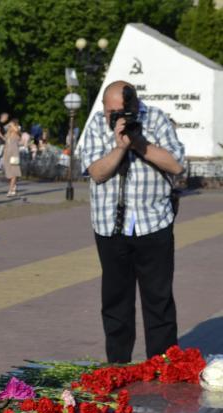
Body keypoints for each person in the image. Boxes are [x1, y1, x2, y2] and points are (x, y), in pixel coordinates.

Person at [79, 80, 185, 364]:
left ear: (135, 106)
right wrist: (120, 148)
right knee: (115, 303)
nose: (114, 117)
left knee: (158, 301)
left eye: (120, 111)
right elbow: (96, 172)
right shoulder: (95, 126)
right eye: (109, 110)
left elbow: (176, 165)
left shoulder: (157, 119)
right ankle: (118, 365)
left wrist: (139, 143)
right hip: (110, 228)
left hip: (154, 224)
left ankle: (163, 367)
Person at [3, 119, 22, 197]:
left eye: (11, 125)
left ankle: (11, 190)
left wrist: (13, 125)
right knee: (9, 172)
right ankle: (14, 187)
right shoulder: (8, 133)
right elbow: (6, 144)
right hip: (7, 154)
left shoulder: (17, 132)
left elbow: (17, 131)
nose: (10, 127)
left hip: (14, 154)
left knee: (14, 172)